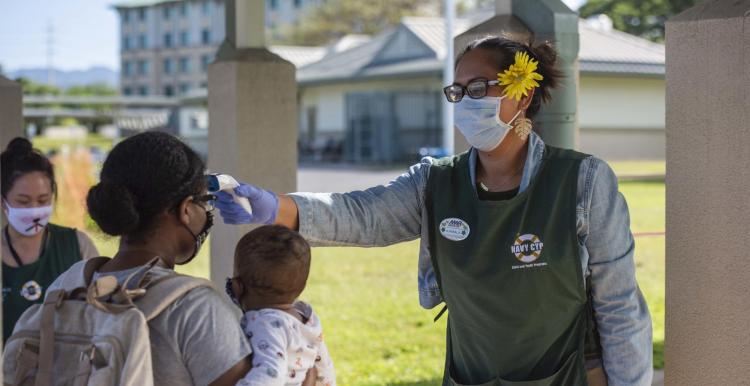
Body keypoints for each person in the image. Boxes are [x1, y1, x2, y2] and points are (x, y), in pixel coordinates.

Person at [216, 36, 653, 386]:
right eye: (458, 91)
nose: (466, 100)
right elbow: (364, 215)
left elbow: (619, 307)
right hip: (472, 374)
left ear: (523, 95)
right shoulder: (435, 182)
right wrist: (278, 207)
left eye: (480, 88)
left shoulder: (583, 181)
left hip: (569, 376)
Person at [47, 132, 252, 385]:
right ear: (186, 209)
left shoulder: (66, 286)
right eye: (205, 202)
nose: (207, 212)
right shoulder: (194, 307)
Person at [1, 137, 99, 341]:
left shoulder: (78, 245)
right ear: (3, 202)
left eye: (43, 200)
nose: (34, 210)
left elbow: (99, 314)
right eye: (23, 201)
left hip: (66, 369)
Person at [227, 225, 336, 386]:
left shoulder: (263, 324)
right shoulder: (307, 320)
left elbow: (271, 373)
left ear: (238, 286)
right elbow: (325, 369)